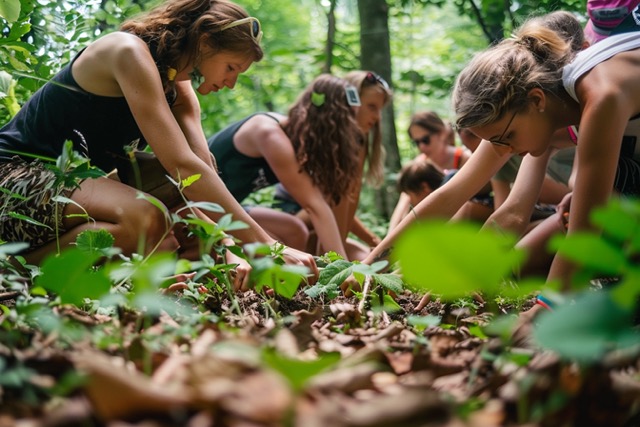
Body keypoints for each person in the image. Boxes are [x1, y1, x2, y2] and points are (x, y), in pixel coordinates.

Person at [0, 0, 318, 291]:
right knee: (147, 216)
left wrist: (228, 249)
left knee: (172, 238)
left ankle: (98, 281)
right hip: (15, 178)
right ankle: (15, 270)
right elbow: (181, 165)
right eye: (232, 68)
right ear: (205, 42)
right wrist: (266, 246)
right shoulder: (127, 52)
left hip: (68, 188)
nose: (232, 83)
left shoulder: (177, 87)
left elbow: (200, 168)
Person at [351, 12, 640, 294]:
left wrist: (543, 310)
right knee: (520, 263)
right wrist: (370, 267)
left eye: (506, 137)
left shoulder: (600, 94)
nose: (505, 151)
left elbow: (585, 231)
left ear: (536, 100)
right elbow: (494, 206)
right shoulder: (536, 112)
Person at [207, 74, 363, 260]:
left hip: (225, 208)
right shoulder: (269, 133)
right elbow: (314, 205)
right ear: (330, 123)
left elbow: (327, 201)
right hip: (192, 205)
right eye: (347, 124)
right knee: (269, 246)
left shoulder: (296, 142)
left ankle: (285, 284)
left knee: (294, 230)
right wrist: (343, 268)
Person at [273, 70, 393, 261]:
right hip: (295, 215)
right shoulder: (323, 135)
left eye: (379, 109)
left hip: (321, 223)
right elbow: (329, 202)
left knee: (368, 258)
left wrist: (374, 242)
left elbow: (349, 201)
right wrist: (342, 259)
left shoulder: (359, 142)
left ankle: (331, 260)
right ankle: (330, 262)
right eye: (371, 107)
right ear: (350, 102)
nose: (377, 117)